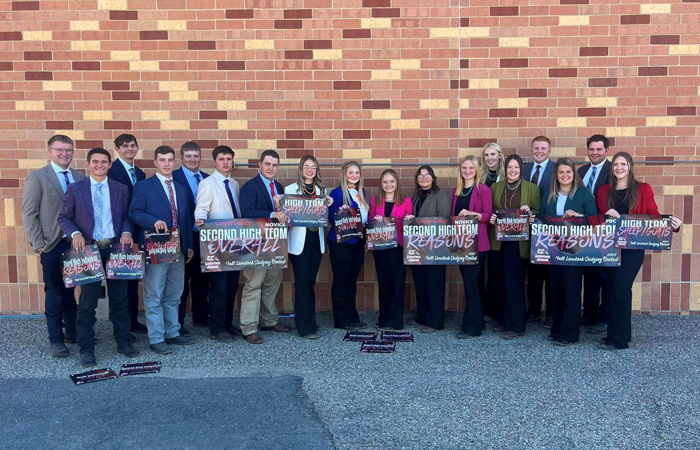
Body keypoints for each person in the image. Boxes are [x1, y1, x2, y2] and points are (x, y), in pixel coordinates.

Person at [57, 148, 140, 366]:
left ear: (110, 165)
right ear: (88, 163)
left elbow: (127, 217)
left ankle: (123, 341)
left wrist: (127, 232)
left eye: (104, 162)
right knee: (87, 302)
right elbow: (64, 217)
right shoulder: (76, 189)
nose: (100, 165)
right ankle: (86, 348)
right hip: (88, 251)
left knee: (120, 299)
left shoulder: (120, 189)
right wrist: (74, 234)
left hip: (115, 248)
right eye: (95, 162)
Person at [597, 152, 681, 350]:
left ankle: (618, 340)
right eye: (616, 164)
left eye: (623, 164)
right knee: (612, 289)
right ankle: (618, 333)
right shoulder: (603, 191)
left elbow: (654, 216)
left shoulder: (642, 189)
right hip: (608, 247)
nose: (619, 168)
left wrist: (672, 226)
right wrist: (604, 214)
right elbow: (597, 218)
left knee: (620, 286)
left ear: (630, 167)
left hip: (633, 248)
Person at [21, 135, 86, 357]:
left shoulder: (79, 176)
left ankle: (72, 331)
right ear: (50, 151)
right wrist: (39, 244)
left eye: (69, 150)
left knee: (72, 288)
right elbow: (29, 213)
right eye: (59, 150)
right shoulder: (38, 177)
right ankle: (56, 338)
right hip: (52, 244)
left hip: (75, 244)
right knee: (55, 291)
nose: (64, 154)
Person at [128, 145, 195, 354]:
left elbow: (186, 218)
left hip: (178, 248)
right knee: (154, 294)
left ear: (175, 162)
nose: (167, 164)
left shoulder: (182, 189)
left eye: (170, 160)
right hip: (156, 248)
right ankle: (156, 337)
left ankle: (172, 332)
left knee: (174, 293)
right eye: (162, 160)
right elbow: (134, 212)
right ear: (155, 163)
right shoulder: (144, 186)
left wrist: (190, 245)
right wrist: (152, 220)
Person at [540, 157, 597, 346]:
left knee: (571, 290)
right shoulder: (549, 193)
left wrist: (579, 216)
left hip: (576, 250)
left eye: (568, 172)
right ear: (556, 174)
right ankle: (557, 328)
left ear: (574, 174)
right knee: (555, 288)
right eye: (561, 172)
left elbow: (595, 220)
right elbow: (543, 216)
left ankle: (570, 333)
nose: (565, 175)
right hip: (553, 249)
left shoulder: (583, 194)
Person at [238, 150, 292, 344]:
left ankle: (269, 320)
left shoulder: (278, 186)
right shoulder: (249, 187)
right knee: (253, 285)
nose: (271, 168)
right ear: (259, 164)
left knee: (272, 283)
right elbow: (247, 212)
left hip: (275, 245)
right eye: (267, 164)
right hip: (255, 245)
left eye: (274, 165)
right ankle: (248, 327)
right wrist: (272, 213)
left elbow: (283, 213)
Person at [488, 155, 540, 339]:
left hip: (518, 244)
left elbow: (538, 211)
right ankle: (502, 321)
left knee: (514, 283)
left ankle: (516, 326)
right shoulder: (495, 187)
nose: (512, 170)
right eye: (510, 167)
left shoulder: (531, 188)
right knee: (499, 282)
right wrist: (492, 218)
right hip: (498, 241)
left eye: (516, 167)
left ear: (521, 169)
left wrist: (530, 214)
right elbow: (491, 210)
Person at [194, 146, 241, 343]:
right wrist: (201, 221)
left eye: (229, 159)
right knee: (219, 287)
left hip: (236, 242)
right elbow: (201, 208)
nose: (225, 162)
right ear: (214, 161)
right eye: (221, 159)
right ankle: (217, 327)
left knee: (231, 286)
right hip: (217, 243)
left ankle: (227, 322)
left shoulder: (235, 184)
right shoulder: (207, 183)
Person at [285, 155, 334, 339]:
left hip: (316, 241)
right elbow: (287, 216)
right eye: (307, 166)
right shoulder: (290, 189)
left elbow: (324, 218)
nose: (310, 170)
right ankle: (303, 327)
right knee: (302, 283)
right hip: (299, 243)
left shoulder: (322, 190)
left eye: (313, 167)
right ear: (301, 168)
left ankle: (310, 322)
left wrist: (329, 205)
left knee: (310, 282)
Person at [107, 134, 148, 335]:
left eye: (133, 145)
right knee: (120, 285)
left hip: (136, 233)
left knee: (133, 281)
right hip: (119, 234)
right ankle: (121, 329)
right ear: (117, 149)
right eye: (125, 146)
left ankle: (133, 321)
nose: (129, 149)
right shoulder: (111, 171)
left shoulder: (139, 173)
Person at [406, 165, 451, 333]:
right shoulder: (416, 197)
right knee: (421, 283)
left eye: (427, 175)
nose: (424, 178)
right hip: (418, 248)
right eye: (420, 175)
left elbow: (445, 222)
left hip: (435, 249)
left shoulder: (441, 196)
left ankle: (435, 321)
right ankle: (422, 316)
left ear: (433, 178)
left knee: (434, 284)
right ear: (417, 179)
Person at [451, 156, 493, 338]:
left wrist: (471, 213)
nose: (467, 171)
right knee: (473, 283)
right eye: (464, 168)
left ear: (476, 170)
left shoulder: (483, 190)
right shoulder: (457, 191)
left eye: (471, 168)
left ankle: (472, 327)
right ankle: (480, 322)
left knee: (471, 285)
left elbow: (488, 215)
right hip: (461, 244)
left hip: (477, 244)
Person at [172, 141, 210, 336]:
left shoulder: (208, 178)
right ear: (182, 158)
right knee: (182, 280)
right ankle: (178, 322)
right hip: (183, 237)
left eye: (196, 156)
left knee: (203, 278)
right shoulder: (174, 178)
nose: (193, 160)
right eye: (188, 156)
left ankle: (201, 315)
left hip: (204, 237)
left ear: (200, 158)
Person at [327, 161, 370, 330]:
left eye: (357, 172)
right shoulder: (337, 193)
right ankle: (341, 320)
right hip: (341, 243)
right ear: (344, 174)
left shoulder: (361, 192)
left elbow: (365, 217)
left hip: (357, 241)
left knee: (352, 281)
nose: (354, 175)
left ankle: (353, 316)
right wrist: (342, 213)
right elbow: (331, 219)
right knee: (341, 280)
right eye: (350, 172)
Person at [368, 169, 412, 332]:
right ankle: (384, 317)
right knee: (383, 282)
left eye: (392, 181)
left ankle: (395, 320)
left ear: (397, 183)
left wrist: (409, 219)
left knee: (397, 283)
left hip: (398, 247)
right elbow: (370, 220)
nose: (389, 185)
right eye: (385, 182)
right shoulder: (375, 200)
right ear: (381, 184)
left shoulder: (406, 200)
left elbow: (409, 221)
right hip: (380, 247)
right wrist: (375, 220)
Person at [578, 135, 612, 334]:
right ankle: (589, 314)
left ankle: (605, 317)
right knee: (589, 273)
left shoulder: (613, 171)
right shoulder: (581, 171)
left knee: (605, 275)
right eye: (591, 149)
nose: (595, 153)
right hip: (585, 228)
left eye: (599, 149)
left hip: (605, 230)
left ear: (606, 151)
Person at [522, 136, 555, 327]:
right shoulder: (524, 170)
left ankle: (551, 313)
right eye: (536, 148)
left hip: (549, 228)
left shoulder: (557, 170)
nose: (539, 151)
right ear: (531, 149)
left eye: (543, 148)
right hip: (528, 230)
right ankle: (534, 311)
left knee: (550, 272)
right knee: (533, 273)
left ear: (549, 150)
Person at [478, 143, 504, 321]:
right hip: (481, 227)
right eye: (486, 155)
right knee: (479, 271)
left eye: (493, 154)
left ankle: (495, 309)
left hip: (499, 230)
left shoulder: (507, 175)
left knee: (496, 270)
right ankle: (481, 309)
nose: (490, 158)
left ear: (500, 155)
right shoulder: (479, 177)